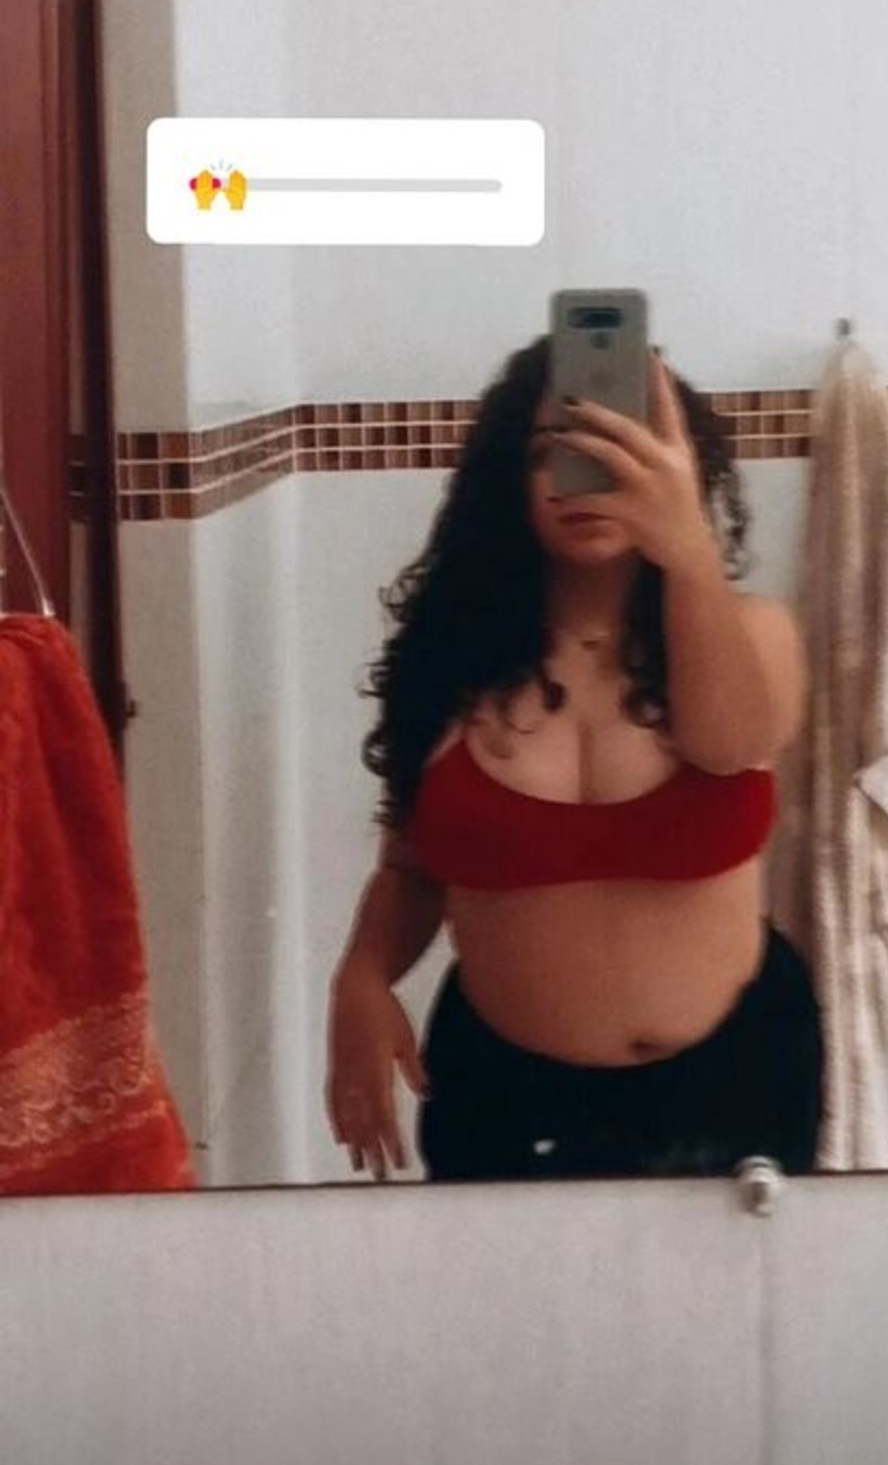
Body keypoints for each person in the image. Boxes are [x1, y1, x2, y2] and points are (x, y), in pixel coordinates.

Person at [326, 333, 823, 1182]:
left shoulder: (755, 633)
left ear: (674, 466)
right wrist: (363, 975)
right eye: (548, 453)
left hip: (739, 1082)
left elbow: (729, 742)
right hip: (503, 1097)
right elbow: (410, 868)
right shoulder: (449, 664)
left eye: (617, 451)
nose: (579, 480)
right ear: (506, 483)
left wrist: (687, 548)